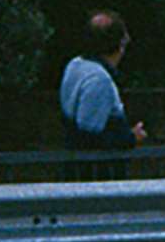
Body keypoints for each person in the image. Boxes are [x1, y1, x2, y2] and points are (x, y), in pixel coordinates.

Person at [57, 10, 144, 150]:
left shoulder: (75, 64)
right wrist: (131, 137)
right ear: (121, 45)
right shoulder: (99, 80)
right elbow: (89, 138)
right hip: (97, 169)